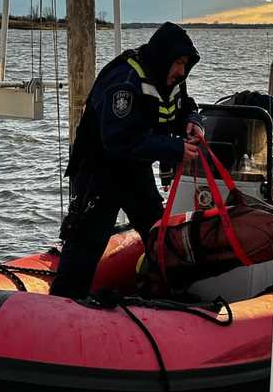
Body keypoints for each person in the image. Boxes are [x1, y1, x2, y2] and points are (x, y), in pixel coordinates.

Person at [50, 22, 204, 299]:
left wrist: (192, 122)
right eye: (178, 62)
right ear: (162, 57)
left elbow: (182, 107)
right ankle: (63, 308)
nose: (182, 71)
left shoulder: (170, 80)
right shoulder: (124, 80)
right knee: (86, 245)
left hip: (135, 171)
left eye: (185, 64)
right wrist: (176, 149)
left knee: (159, 237)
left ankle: (165, 296)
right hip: (99, 174)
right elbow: (119, 139)